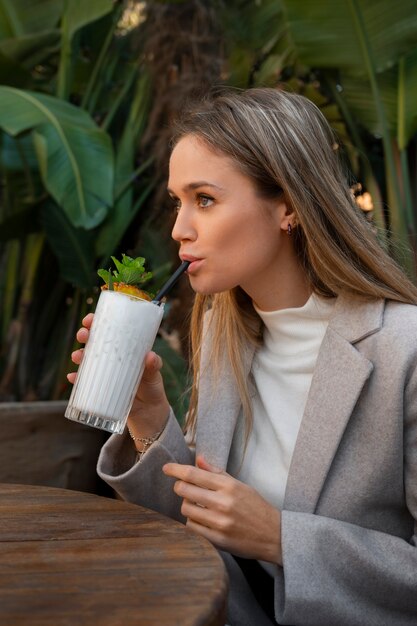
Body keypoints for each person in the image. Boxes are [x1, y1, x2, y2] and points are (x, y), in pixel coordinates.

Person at [69, 88, 417, 626]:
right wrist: (147, 419)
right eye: (177, 202)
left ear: (289, 207)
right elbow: (202, 532)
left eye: (204, 199)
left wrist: (282, 539)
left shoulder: (403, 350)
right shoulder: (223, 331)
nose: (179, 229)